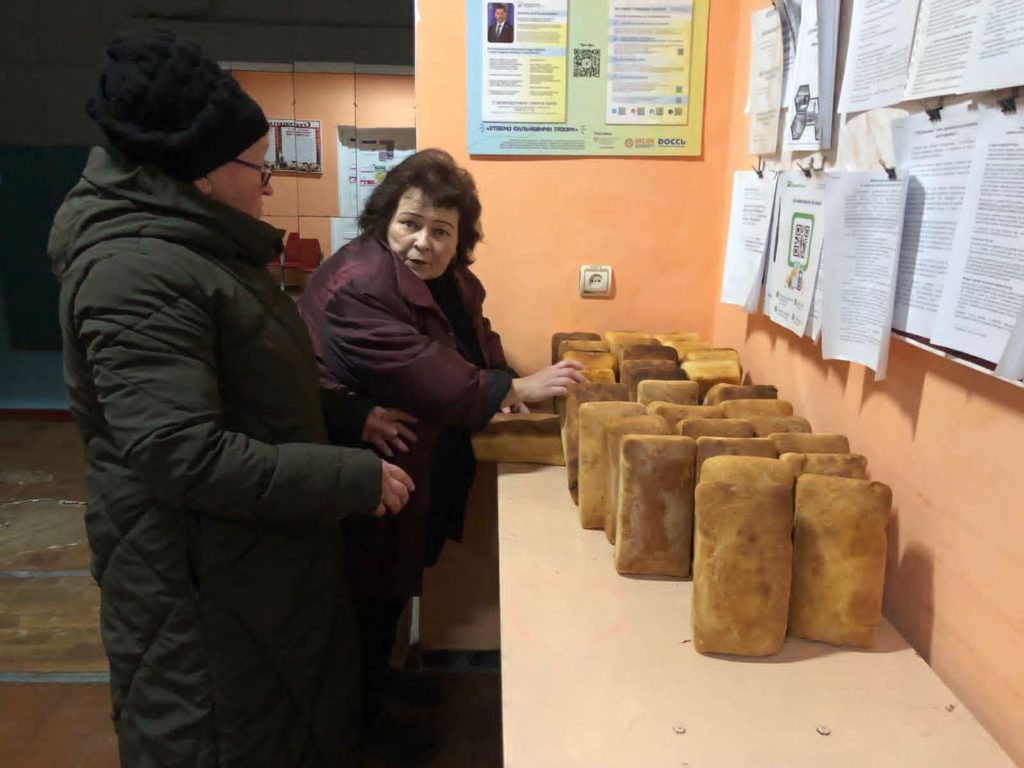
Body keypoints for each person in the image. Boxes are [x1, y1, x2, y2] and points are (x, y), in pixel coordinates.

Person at [48, 29, 414, 768]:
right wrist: (350, 478)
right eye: (260, 162)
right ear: (204, 175)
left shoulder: (200, 252)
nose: (271, 181)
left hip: (250, 572)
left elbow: (251, 383)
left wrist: (348, 417)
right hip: (195, 594)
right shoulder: (135, 272)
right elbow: (182, 454)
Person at [298, 148, 585, 748]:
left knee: (391, 587)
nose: (422, 242)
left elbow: (477, 340)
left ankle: (383, 686)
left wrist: (502, 378)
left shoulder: (451, 280)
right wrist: (510, 388)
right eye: (410, 224)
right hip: (358, 458)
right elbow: (422, 368)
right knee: (363, 598)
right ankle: (362, 726)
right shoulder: (362, 283)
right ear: (384, 221)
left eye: (441, 231)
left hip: (413, 456)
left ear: (460, 240)